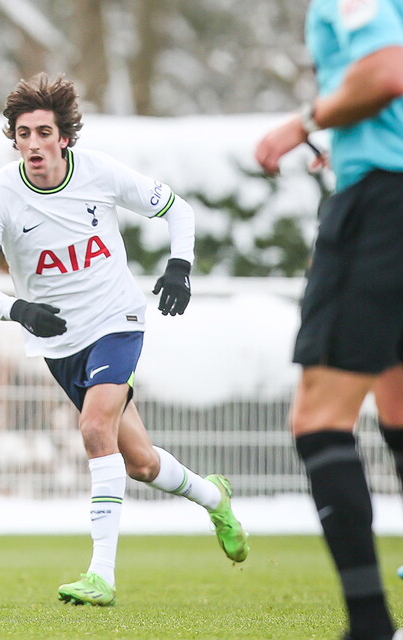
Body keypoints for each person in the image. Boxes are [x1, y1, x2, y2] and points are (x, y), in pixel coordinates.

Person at [0, 73, 249, 607]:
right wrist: (17, 308)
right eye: (23, 134)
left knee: (95, 428)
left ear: (64, 136)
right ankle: (215, 497)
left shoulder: (98, 172)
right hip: (60, 344)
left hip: (117, 322)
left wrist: (180, 265)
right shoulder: (0, 193)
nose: (33, 145)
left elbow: (177, 209)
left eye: (43, 132)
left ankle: (101, 575)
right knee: (138, 462)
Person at [255, 0, 403, 637]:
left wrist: (305, 121)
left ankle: (369, 625)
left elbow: (385, 75)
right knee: (398, 410)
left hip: (385, 206)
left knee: (320, 420)